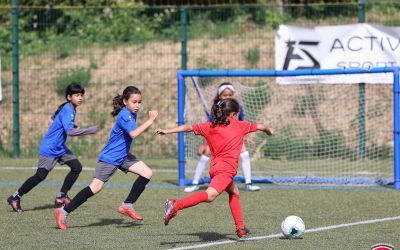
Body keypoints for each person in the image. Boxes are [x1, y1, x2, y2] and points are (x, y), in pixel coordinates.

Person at [155, 98, 274, 238]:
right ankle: (175, 205)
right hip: (226, 170)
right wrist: (269, 130)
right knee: (210, 196)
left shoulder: (210, 126)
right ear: (234, 114)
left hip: (216, 168)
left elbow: (188, 127)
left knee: (234, 193)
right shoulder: (240, 125)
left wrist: (167, 131)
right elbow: (262, 126)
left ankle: (240, 228)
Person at [55, 86, 158, 230]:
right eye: (134, 102)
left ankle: (127, 205)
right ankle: (63, 211)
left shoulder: (131, 113)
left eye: (139, 102)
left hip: (123, 156)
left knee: (147, 173)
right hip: (110, 158)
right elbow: (133, 134)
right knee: (95, 188)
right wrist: (150, 120)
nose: (137, 105)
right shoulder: (125, 115)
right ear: (125, 101)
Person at [7, 83, 98, 212]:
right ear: (68, 97)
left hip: (59, 147)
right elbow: (70, 132)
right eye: (77, 95)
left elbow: (55, 118)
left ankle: (61, 196)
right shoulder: (68, 110)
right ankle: (15, 197)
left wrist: (70, 125)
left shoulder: (69, 108)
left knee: (76, 167)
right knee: (40, 176)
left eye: (82, 95)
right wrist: (89, 130)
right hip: (50, 148)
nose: (80, 98)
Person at [184, 82, 261, 193]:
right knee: (206, 155)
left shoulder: (237, 107)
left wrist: (247, 136)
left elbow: (242, 123)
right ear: (220, 96)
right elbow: (208, 127)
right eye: (225, 95)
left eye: (230, 95)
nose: (227, 97)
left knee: (244, 154)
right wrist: (205, 144)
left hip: (233, 138)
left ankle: (248, 183)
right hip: (218, 138)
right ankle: (195, 183)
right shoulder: (217, 108)